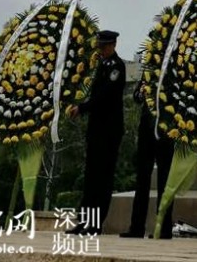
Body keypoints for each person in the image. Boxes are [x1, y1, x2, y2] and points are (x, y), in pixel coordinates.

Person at [67, 29, 126, 235]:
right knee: (91, 177)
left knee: (102, 178)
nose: (101, 50)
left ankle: (95, 223)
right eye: (100, 46)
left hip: (109, 130)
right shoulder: (100, 65)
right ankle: (84, 221)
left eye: (104, 46)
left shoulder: (117, 67)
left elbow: (104, 96)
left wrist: (82, 107)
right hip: (96, 128)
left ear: (113, 45)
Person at [119, 74, 175, 239]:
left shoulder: (172, 68)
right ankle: (136, 227)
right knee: (142, 178)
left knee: (164, 179)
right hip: (146, 127)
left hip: (166, 127)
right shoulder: (148, 70)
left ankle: (164, 228)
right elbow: (137, 96)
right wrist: (141, 92)